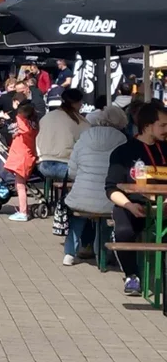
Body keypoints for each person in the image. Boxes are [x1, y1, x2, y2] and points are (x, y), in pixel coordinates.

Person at [105, 102, 167, 295]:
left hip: (164, 206)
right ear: (148, 126)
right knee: (124, 231)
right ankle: (132, 275)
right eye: (163, 125)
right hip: (133, 205)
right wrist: (129, 205)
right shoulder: (123, 152)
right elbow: (111, 188)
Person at [62, 106, 129, 267]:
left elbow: (71, 171)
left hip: (80, 197)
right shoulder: (123, 140)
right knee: (107, 214)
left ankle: (70, 253)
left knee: (77, 218)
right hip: (109, 198)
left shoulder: (84, 137)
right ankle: (102, 254)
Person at [37, 88, 89, 182]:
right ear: (77, 103)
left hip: (43, 165)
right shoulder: (80, 121)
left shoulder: (46, 117)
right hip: (66, 165)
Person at [4, 99, 38, 222]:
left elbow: (19, 122)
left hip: (21, 158)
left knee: (20, 185)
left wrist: (13, 111)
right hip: (27, 156)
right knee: (20, 184)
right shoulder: (33, 124)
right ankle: (23, 210)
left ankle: (23, 211)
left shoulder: (23, 124)